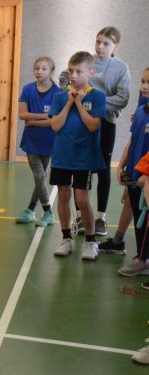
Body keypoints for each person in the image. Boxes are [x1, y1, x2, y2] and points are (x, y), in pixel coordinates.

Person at [58, 26, 131, 236]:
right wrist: (71, 92)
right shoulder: (86, 61)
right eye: (98, 41)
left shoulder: (120, 68)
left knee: (103, 168)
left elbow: (122, 98)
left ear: (115, 46)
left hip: (106, 122)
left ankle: (100, 217)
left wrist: (96, 101)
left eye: (106, 43)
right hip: (81, 120)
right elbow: (64, 77)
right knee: (81, 166)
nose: (100, 46)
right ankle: (82, 216)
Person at [49, 51, 106, 260]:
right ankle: (66, 238)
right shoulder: (59, 97)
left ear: (91, 72)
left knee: (82, 199)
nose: (73, 75)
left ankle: (91, 241)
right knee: (63, 196)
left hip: (84, 157)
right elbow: (55, 126)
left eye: (78, 71)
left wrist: (79, 103)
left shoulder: (97, 96)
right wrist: (69, 102)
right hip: (62, 156)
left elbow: (92, 126)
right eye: (71, 70)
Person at [16, 56, 63, 227]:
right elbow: (22, 115)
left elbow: (54, 121)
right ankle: (48, 212)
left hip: (49, 141)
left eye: (44, 69)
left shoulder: (58, 93)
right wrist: (45, 116)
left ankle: (30, 210)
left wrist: (33, 121)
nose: (39, 72)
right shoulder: (28, 89)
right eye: (36, 68)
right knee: (39, 176)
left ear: (51, 71)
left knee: (40, 178)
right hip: (31, 141)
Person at [116, 69, 149, 276]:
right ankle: (142, 257)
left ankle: (145, 259)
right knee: (139, 218)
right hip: (135, 176)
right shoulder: (140, 111)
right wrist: (121, 166)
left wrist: (147, 174)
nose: (144, 86)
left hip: (146, 178)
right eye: (143, 81)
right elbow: (132, 140)